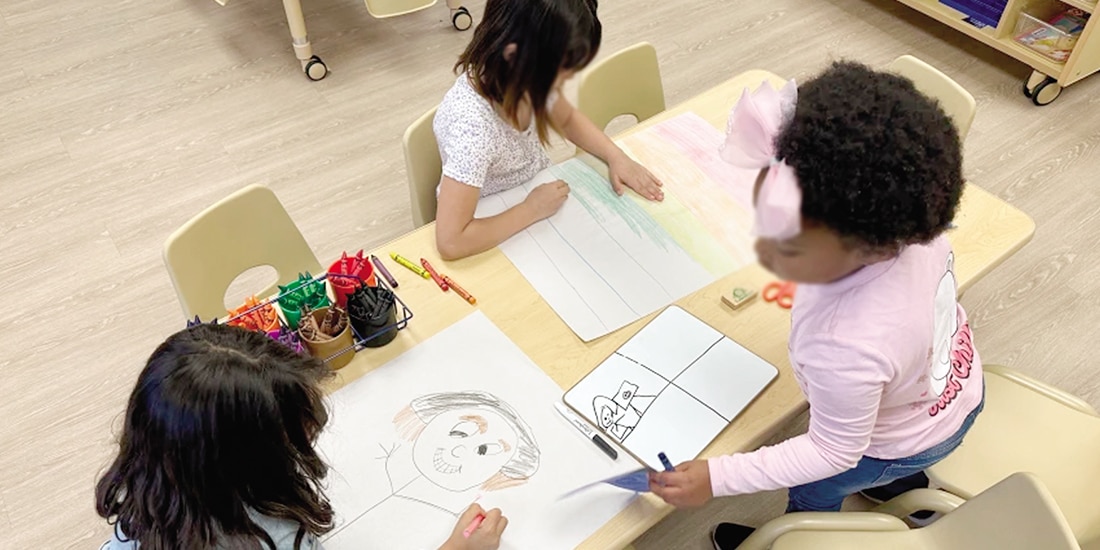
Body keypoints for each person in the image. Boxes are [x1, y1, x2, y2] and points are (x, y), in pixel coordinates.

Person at [646, 61, 984, 549]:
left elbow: (831, 452)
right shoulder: (919, 232)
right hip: (957, 393)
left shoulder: (844, 344)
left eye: (790, 242)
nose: (766, 244)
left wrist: (717, 477)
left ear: (868, 246)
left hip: (897, 437)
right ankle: (899, 484)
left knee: (814, 490)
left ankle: (802, 536)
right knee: (890, 456)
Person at [95, 323, 506, 550]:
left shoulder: (154, 487)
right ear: (251, 458)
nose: (313, 429)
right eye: (294, 430)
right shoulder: (269, 538)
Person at [433, 0, 664, 260]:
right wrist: (530, 210)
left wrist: (615, 155)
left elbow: (566, 118)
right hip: (491, 219)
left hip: (533, 192)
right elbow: (451, 241)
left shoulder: (520, 79)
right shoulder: (473, 131)